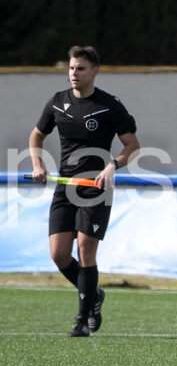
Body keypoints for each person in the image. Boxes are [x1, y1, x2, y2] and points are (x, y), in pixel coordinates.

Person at [29, 46, 140, 337]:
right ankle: (95, 294)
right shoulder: (58, 102)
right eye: (71, 68)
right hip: (66, 187)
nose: (74, 73)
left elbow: (132, 145)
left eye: (80, 68)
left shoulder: (109, 105)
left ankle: (81, 320)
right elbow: (36, 135)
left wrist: (112, 165)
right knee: (59, 254)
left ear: (95, 71)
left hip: (96, 188)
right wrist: (38, 164)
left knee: (85, 250)